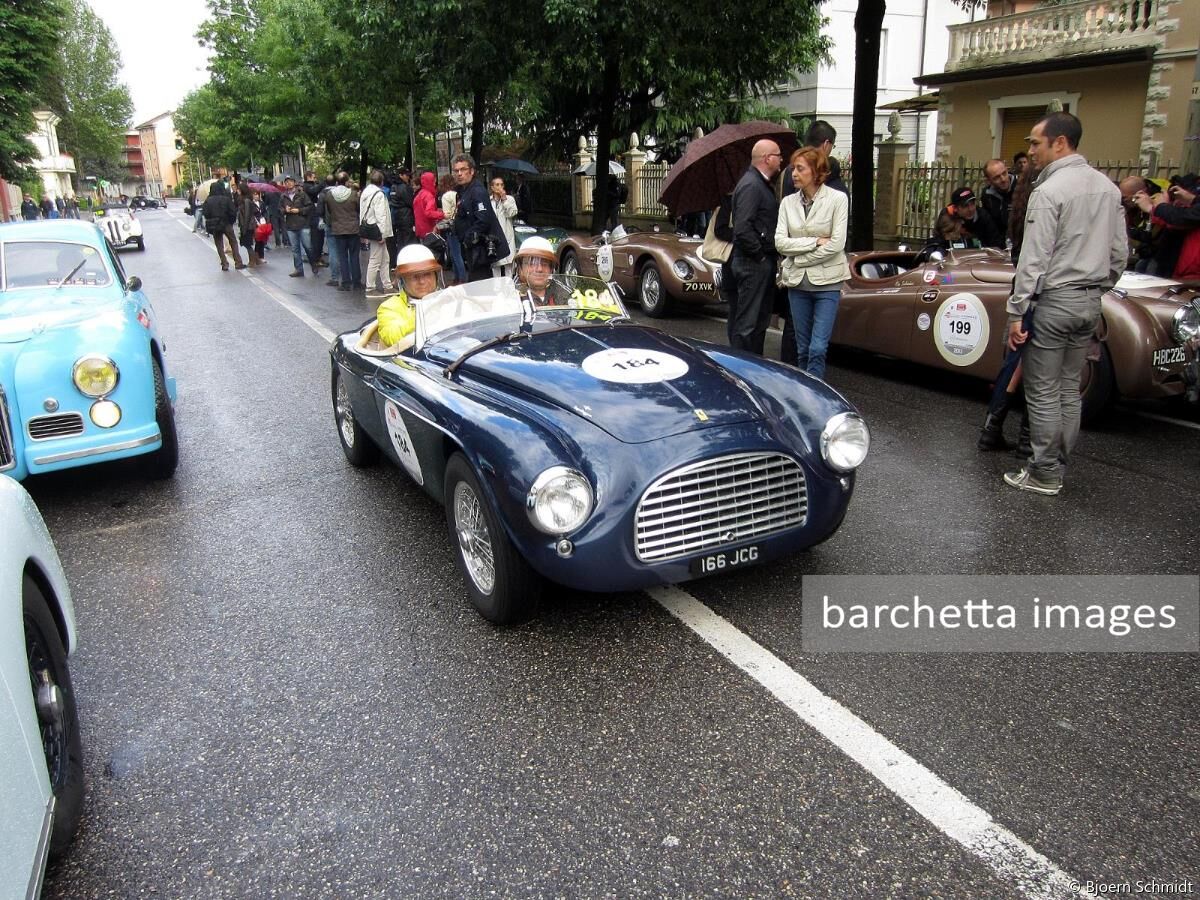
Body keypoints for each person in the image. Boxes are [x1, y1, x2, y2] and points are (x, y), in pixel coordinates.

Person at [1003, 111, 1126, 496]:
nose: (1030, 151)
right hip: (1090, 300)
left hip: (1056, 299)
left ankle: (1043, 472)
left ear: (1060, 143)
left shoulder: (1049, 191)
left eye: (1036, 143)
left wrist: (1016, 311)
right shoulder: (1108, 188)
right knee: (1068, 388)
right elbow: (1120, 252)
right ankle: (1058, 463)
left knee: (1042, 390)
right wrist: (1098, 287)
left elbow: (1033, 259)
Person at [774, 146, 850, 380]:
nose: (794, 174)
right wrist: (815, 241)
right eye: (793, 169)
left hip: (828, 283)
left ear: (816, 171)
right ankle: (805, 392)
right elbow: (780, 242)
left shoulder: (837, 199)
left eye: (800, 168)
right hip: (797, 284)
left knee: (817, 349)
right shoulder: (788, 202)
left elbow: (837, 244)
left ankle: (816, 394)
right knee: (802, 348)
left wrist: (799, 257)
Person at [728, 139, 783, 355]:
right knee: (747, 325)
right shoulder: (752, 185)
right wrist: (760, 257)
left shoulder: (758, 183)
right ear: (767, 158)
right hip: (753, 263)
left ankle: (753, 368)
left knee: (758, 322)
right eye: (778, 155)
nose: (781, 160)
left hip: (757, 262)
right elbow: (742, 228)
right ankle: (741, 369)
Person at [451, 153, 508, 282]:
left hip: (479, 250)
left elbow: (483, 220)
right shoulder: (464, 190)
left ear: (471, 171)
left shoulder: (477, 191)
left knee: (480, 286)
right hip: (472, 250)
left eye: (463, 169)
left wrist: (467, 238)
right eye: (456, 170)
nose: (459, 174)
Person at [376, 243, 443, 348]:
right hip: (414, 360)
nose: (422, 281)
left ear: (435, 276)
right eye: (414, 277)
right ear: (402, 281)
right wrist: (426, 312)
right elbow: (392, 337)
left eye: (427, 274)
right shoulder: (389, 307)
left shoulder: (448, 298)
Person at [325, 170, 362, 292]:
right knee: (354, 256)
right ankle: (357, 282)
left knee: (342, 256)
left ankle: (346, 282)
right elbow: (358, 209)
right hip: (353, 228)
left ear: (337, 182)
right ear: (346, 182)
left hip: (338, 229)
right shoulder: (353, 194)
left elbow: (329, 210)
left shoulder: (330, 195)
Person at [360, 169, 394, 296]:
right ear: (381, 181)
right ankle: (370, 288)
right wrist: (382, 234)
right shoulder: (379, 194)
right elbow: (381, 215)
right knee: (375, 259)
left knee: (385, 258)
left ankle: (387, 285)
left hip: (369, 228)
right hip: (377, 230)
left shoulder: (366, 192)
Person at [201, 180, 245, 271]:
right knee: (233, 241)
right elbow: (233, 212)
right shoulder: (226, 199)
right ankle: (238, 262)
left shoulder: (208, 200)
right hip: (226, 223)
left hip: (214, 224)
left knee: (219, 244)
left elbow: (205, 213)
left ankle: (224, 263)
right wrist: (230, 221)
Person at [513, 236, 563, 304]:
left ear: (551, 269)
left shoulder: (563, 293)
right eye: (532, 263)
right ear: (521, 267)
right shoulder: (511, 296)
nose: (539, 269)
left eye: (544, 264)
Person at [282, 175, 314, 277]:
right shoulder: (283, 196)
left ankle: (313, 263)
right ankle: (299, 269)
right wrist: (284, 210)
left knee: (308, 247)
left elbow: (310, 207)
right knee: (295, 249)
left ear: (294, 182)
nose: (289, 183)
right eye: (286, 182)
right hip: (290, 225)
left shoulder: (302, 194)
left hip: (303, 224)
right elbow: (279, 210)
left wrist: (299, 210)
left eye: (290, 181)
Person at [438, 173, 466, 283]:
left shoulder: (445, 196)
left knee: (454, 254)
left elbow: (447, 214)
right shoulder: (457, 194)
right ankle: (460, 278)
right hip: (459, 224)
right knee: (458, 253)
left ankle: (459, 278)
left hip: (451, 226)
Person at [489, 176, 518, 277]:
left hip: (507, 236)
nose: (500, 187)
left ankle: (509, 288)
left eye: (501, 184)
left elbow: (512, 213)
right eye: (497, 185)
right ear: (492, 187)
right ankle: (497, 290)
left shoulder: (510, 199)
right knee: (495, 266)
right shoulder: (488, 201)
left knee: (509, 267)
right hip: (494, 237)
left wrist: (505, 200)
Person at [981, 159, 1015, 235]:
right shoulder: (987, 195)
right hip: (1000, 241)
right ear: (988, 180)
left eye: (1004, 173)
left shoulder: (1022, 187)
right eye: (996, 177)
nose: (1003, 179)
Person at [236, 183, 261, 268]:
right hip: (246, 224)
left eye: (239, 189)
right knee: (247, 243)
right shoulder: (244, 200)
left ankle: (253, 260)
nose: (237, 191)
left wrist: (244, 227)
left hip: (247, 225)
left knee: (247, 243)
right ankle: (256, 259)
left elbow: (247, 214)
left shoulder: (246, 200)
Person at [413, 170, 444, 239]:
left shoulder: (419, 194)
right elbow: (428, 212)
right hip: (429, 229)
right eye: (434, 181)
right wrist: (442, 214)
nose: (435, 184)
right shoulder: (429, 196)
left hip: (420, 229)